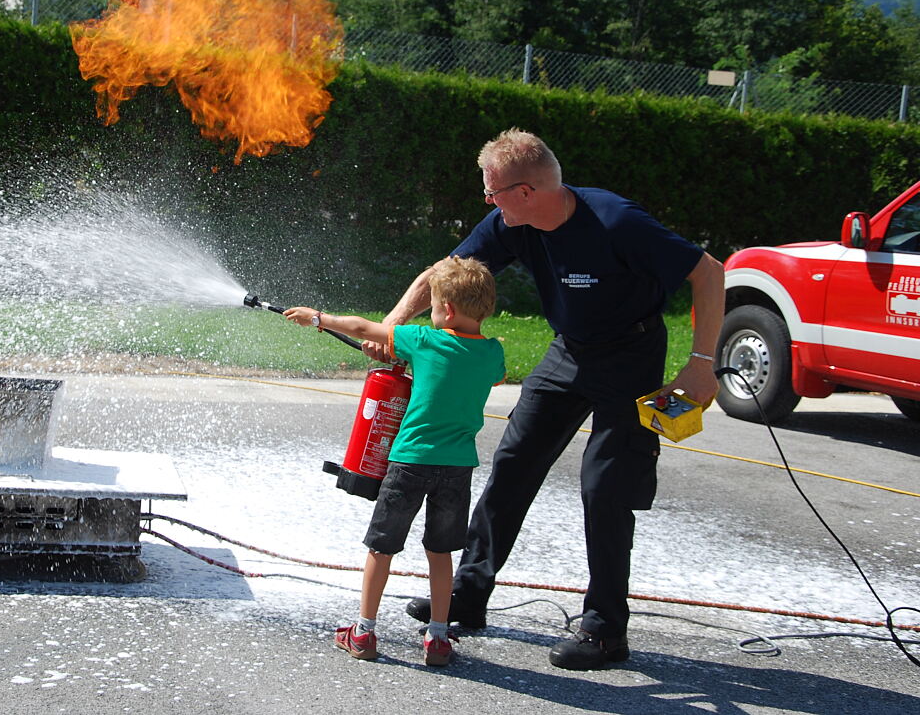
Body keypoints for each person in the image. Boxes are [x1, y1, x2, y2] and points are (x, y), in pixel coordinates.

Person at [365, 128, 724, 671]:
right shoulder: (512, 223)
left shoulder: (617, 222)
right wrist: (391, 327)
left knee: (606, 486)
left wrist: (701, 367)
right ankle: (469, 594)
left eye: (493, 192)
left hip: (631, 356)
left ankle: (605, 630)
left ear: (527, 191)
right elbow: (441, 275)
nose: (487, 202)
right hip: (568, 351)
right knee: (512, 463)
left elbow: (709, 272)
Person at [284, 256, 506, 667]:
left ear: (447, 310)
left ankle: (364, 632)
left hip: (409, 463)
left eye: (436, 306)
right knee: (441, 554)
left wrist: (319, 318)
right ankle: (438, 639)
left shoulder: (424, 341)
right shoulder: (492, 353)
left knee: (381, 550)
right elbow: (492, 377)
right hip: (457, 468)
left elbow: (363, 328)